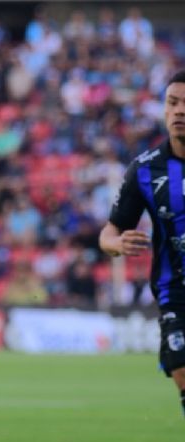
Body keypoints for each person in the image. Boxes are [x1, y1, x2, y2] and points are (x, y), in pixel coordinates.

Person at [100, 69, 185, 417]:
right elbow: (108, 234)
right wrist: (118, 243)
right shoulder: (145, 170)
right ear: (163, 110)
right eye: (173, 103)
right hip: (176, 291)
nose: (180, 111)